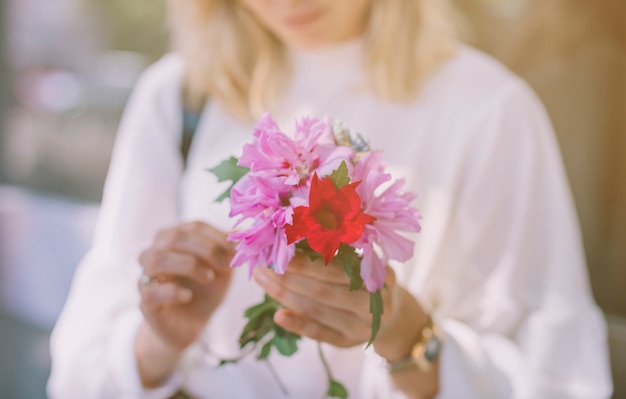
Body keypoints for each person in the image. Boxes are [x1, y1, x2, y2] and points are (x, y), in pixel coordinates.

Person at [47, 1, 613, 398]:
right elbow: (77, 373)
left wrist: (408, 338)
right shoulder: (179, 97)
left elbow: (557, 377)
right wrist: (159, 341)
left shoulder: (491, 111)